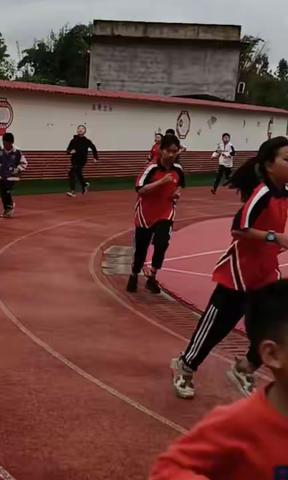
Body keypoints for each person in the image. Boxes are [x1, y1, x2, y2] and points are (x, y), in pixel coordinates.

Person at [171, 136, 288, 400]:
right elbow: (238, 229)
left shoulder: (284, 192)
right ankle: (185, 367)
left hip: (266, 271)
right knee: (215, 327)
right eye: (287, 159)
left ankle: (244, 368)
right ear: (269, 165)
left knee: (274, 326)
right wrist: (274, 237)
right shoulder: (262, 194)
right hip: (238, 273)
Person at [151, 279, 288, 480]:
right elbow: (168, 469)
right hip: (235, 280)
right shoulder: (241, 424)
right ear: (273, 355)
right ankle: (186, 366)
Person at [126, 135, 185, 294]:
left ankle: (152, 277)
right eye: (169, 151)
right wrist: (161, 182)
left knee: (162, 243)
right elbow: (140, 190)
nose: (172, 155)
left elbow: (180, 185)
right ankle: (134, 274)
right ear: (161, 150)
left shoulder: (178, 169)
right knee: (141, 248)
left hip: (165, 212)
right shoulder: (151, 168)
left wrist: (177, 193)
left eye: (175, 151)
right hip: (146, 213)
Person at [0, 132, 28, 218]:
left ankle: (9, 207)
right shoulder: (0, 150)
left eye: (7, 143)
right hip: (2, 174)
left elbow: (24, 163)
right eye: (4, 143)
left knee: (6, 190)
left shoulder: (18, 152)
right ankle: (7, 208)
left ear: (11, 143)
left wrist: (18, 169)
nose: (5, 145)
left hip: (13, 176)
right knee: (2, 193)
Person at [66, 125, 99, 197]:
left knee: (71, 172)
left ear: (85, 131)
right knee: (78, 174)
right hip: (74, 160)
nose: (80, 130)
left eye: (82, 129)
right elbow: (67, 150)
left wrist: (95, 157)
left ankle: (73, 191)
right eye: (79, 129)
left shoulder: (87, 141)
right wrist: (70, 152)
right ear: (77, 130)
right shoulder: (73, 140)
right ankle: (84, 185)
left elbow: (93, 148)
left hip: (82, 160)